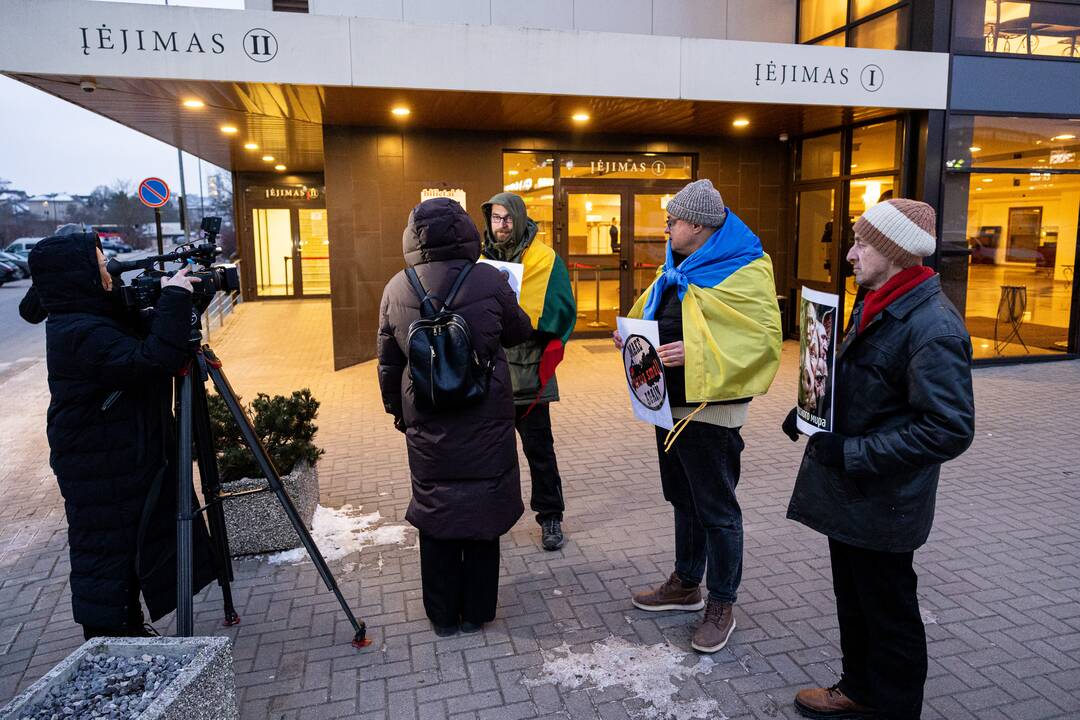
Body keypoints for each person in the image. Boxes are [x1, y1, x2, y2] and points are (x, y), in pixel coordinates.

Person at [782, 198, 975, 720]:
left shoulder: (932, 327)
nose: (849, 253)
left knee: (890, 616)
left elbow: (949, 429)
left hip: (885, 500)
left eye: (862, 243)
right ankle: (859, 689)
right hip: (854, 495)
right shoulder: (877, 301)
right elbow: (862, 382)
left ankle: (891, 708)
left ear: (892, 251)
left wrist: (852, 451)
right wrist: (809, 410)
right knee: (856, 601)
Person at [614, 179, 782, 653]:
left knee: (717, 511)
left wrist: (696, 352)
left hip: (711, 412)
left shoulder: (745, 269)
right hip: (670, 404)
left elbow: (763, 340)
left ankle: (721, 604)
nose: (665, 227)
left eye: (672, 220)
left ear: (698, 225)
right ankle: (686, 584)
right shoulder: (680, 264)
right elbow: (657, 307)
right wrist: (632, 336)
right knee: (683, 499)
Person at [28, 231, 216, 640]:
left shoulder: (91, 316)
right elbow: (151, 361)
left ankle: (121, 629)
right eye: (100, 267)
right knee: (106, 549)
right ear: (79, 278)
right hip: (99, 455)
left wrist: (172, 303)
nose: (110, 274)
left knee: (122, 544)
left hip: (112, 448)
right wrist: (175, 301)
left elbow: (145, 339)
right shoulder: (80, 331)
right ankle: (108, 637)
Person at [378, 198, 533, 636]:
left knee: (437, 509)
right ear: (467, 232)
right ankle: (478, 613)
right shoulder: (489, 278)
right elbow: (520, 332)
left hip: (427, 418)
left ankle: (443, 616)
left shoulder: (397, 286)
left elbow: (389, 363)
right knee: (484, 509)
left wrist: (398, 413)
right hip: (486, 414)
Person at [481, 193, 577, 551]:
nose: (502, 225)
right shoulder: (479, 261)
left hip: (530, 374)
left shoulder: (544, 259)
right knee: (492, 455)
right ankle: (492, 516)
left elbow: (563, 308)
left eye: (508, 218)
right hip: (490, 378)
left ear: (519, 220)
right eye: (496, 218)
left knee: (540, 453)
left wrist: (526, 322)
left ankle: (550, 517)